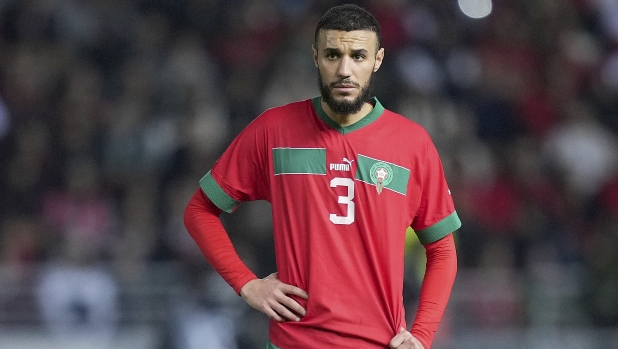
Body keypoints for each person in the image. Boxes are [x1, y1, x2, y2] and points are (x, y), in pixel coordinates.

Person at [184, 4, 460, 349]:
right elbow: (199, 211)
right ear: (315, 57)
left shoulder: (412, 143)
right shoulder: (274, 130)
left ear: (378, 60)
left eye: (358, 56)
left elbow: (442, 250)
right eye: (333, 54)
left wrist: (422, 335)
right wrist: (247, 284)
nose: (345, 69)